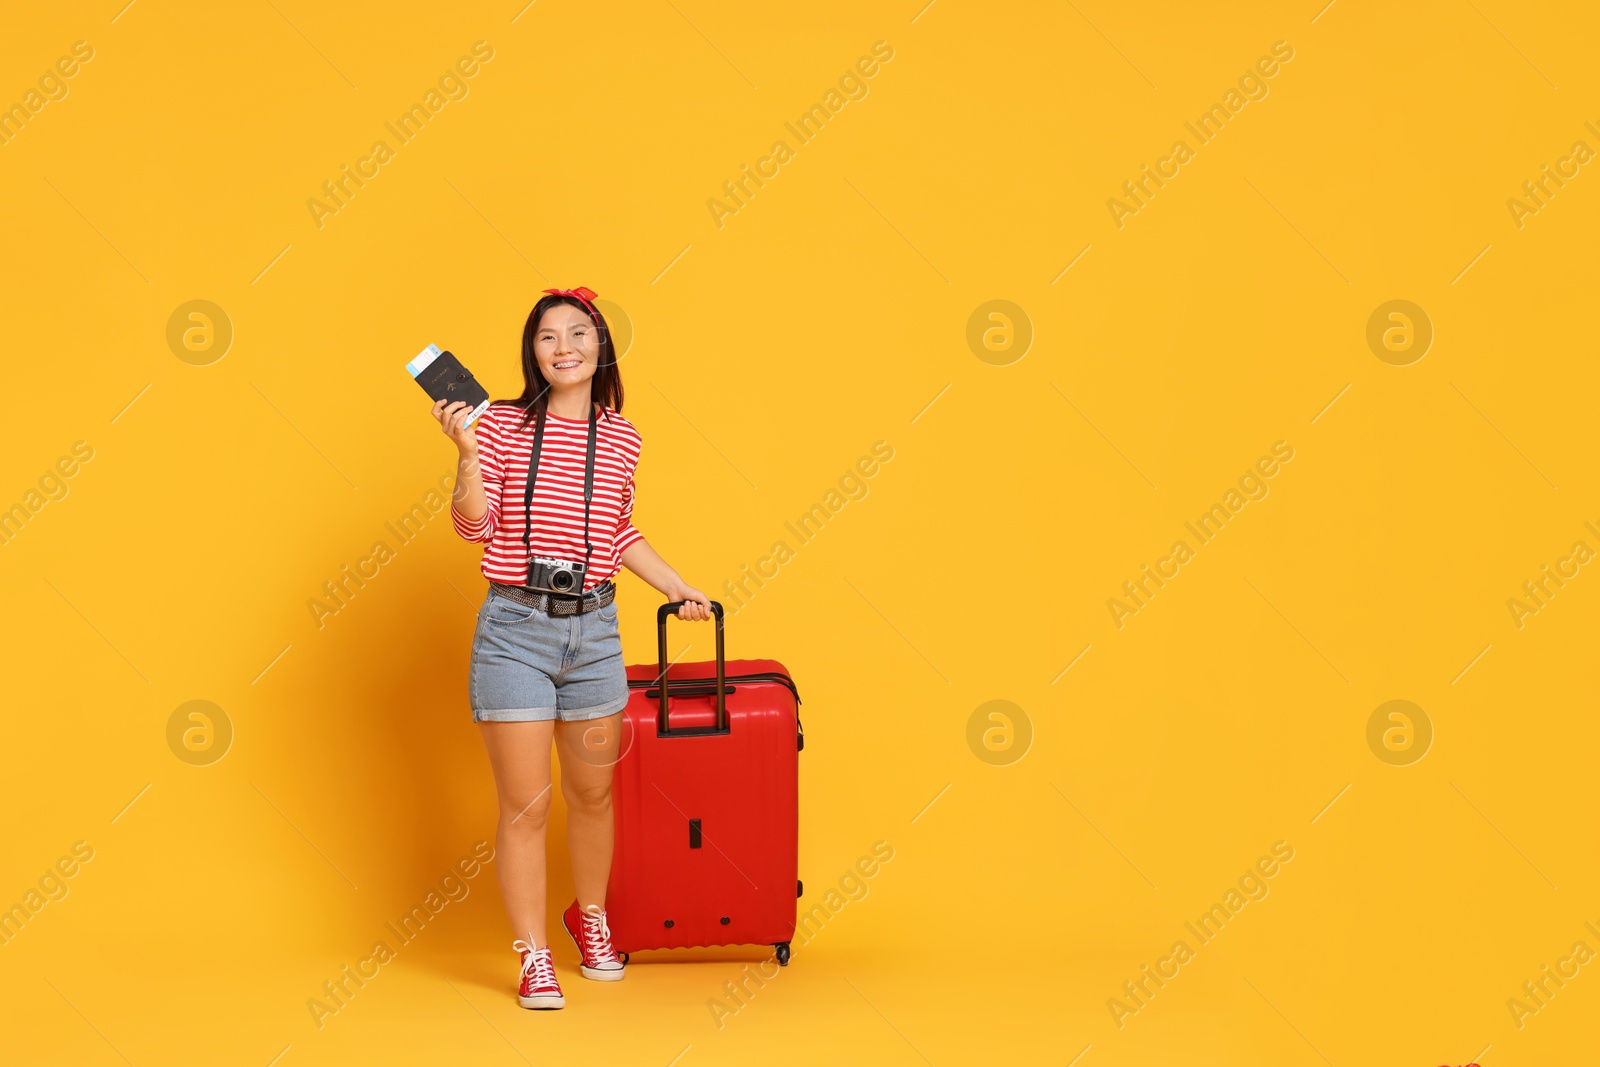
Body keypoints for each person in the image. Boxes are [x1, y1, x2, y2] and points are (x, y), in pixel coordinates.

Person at [432, 286, 712, 1010]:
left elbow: (618, 532)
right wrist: (465, 454)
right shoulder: (496, 426)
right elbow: (473, 527)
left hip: (596, 634)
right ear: (533, 352)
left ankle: (590, 919)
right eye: (548, 336)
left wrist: (677, 585)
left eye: (578, 333)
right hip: (515, 633)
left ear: (601, 347)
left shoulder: (623, 436)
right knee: (526, 807)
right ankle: (534, 958)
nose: (563, 347)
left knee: (593, 794)